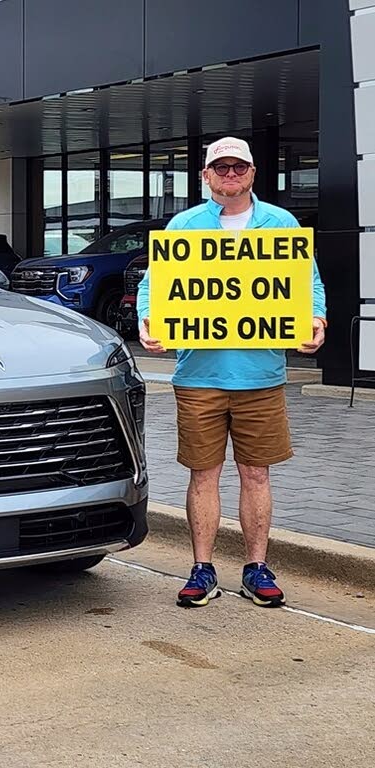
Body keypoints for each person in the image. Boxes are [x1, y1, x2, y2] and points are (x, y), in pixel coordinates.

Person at [136, 137, 327, 609]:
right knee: (203, 475)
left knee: (256, 474)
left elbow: (310, 283)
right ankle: (201, 569)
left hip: (260, 374)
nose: (229, 176)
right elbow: (152, 286)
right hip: (199, 373)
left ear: (253, 172)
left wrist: (317, 319)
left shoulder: (280, 223)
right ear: (205, 176)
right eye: (219, 168)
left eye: (237, 168)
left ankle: (256, 567)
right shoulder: (184, 226)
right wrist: (147, 321)